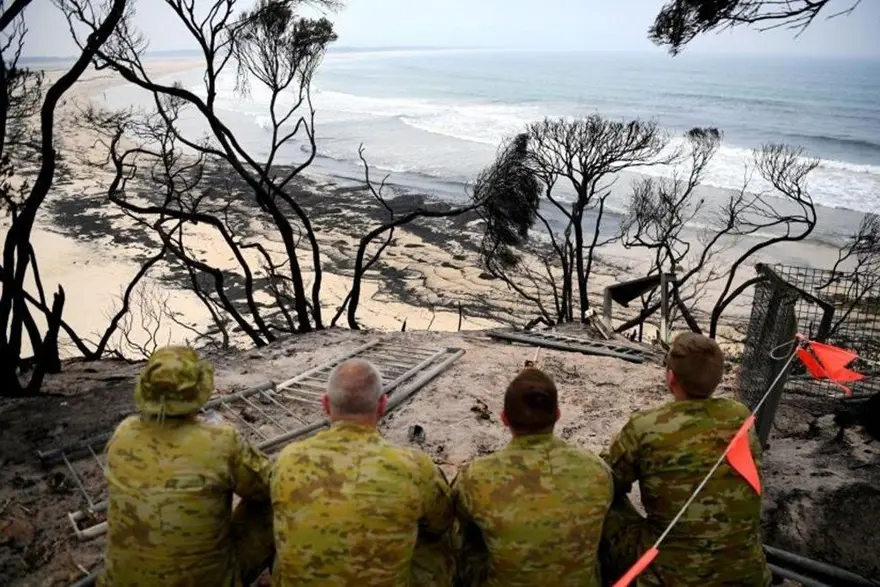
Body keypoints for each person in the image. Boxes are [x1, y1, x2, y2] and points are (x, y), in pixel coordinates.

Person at [600, 332, 771, 586]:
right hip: (748, 576)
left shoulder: (646, 425)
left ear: (671, 377)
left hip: (671, 577)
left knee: (602, 501)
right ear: (717, 378)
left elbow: (604, 479)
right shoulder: (740, 415)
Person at [270, 358, 454, 587]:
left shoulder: (287, 459)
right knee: (437, 541)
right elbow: (442, 522)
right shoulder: (414, 466)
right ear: (382, 405)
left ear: (325, 404)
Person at [100, 346, 274, 587]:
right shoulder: (220, 441)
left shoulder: (123, 433)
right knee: (273, 501)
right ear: (199, 390)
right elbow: (270, 484)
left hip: (119, 582)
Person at [452, 367, 614, 587]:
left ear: (504, 418)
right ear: (558, 414)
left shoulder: (475, 477)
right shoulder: (597, 469)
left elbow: (450, 524)